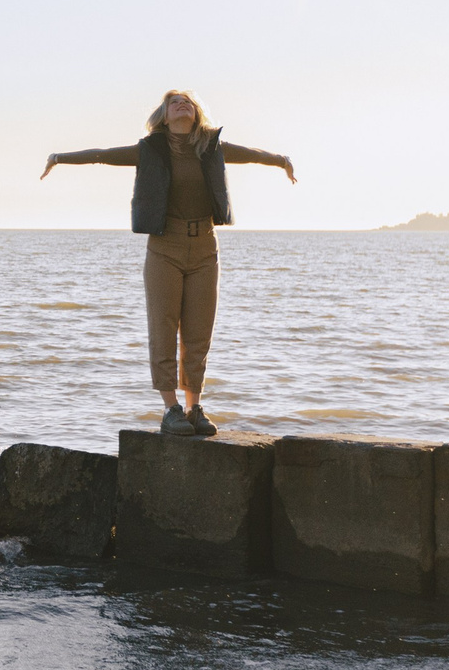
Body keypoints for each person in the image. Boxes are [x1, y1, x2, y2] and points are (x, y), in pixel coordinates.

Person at [40, 90, 295, 438]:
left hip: (205, 247)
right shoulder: (150, 150)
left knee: (198, 332)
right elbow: (101, 155)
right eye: (174, 101)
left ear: (196, 112)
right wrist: (59, 156)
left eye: (187, 101)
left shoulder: (211, 146)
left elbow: (252, 156)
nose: (182, 104)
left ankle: (194, 408)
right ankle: (169, 408)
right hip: (165, 247)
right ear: (164, 114)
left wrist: (282, 160)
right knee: (163, 327)